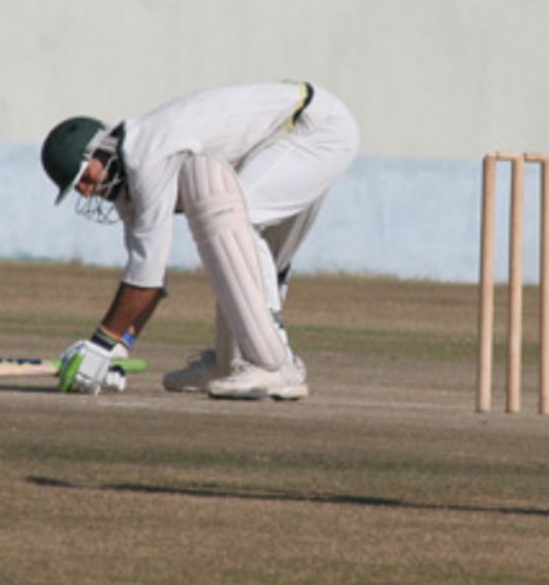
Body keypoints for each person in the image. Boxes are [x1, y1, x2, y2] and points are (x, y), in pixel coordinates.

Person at [40, 80, 359, 401]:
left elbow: (145, 282)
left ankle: (272, 365)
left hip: (314, 130)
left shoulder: (146, 154)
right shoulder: (129, 187)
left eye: (84, 176)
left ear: (100, 148)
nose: (85, 190)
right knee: (218, 201)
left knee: (238, 219)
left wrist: (99, 345)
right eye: (76, 187)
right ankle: (229, 362)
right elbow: (149, 276)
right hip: (285, 137)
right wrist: (117, 352)